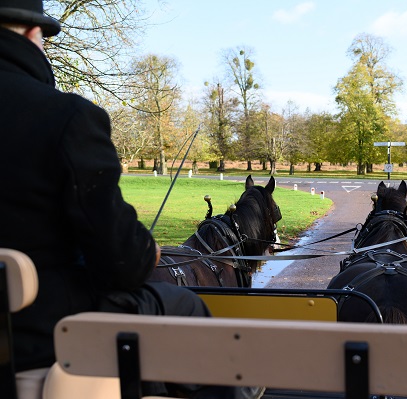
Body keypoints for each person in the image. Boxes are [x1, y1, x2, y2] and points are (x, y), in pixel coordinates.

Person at [0, 2, 258, 398]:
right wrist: (145, 251)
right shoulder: (66, 117)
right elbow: (122, 264)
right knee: (185, 307)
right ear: (34, 35)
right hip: (43, 333)